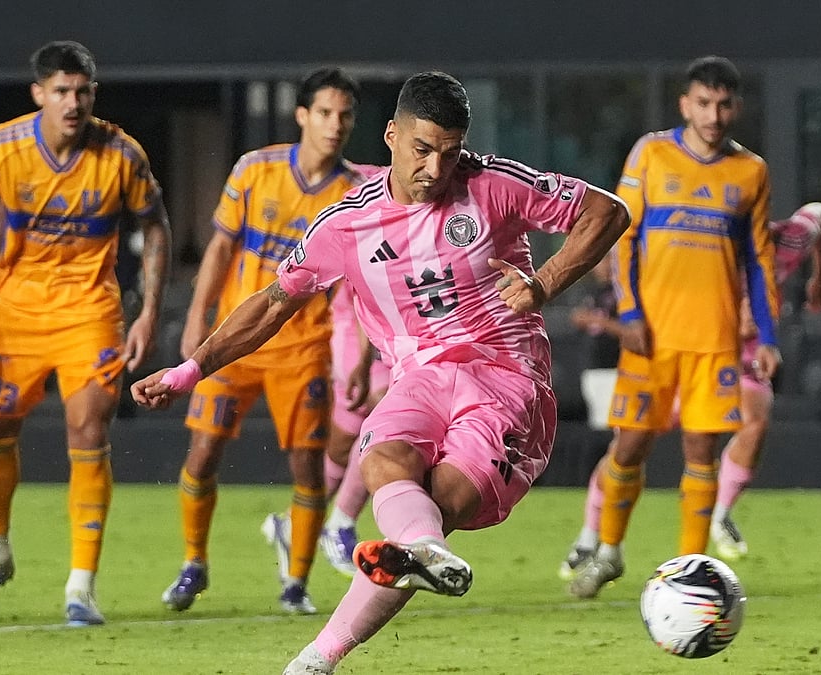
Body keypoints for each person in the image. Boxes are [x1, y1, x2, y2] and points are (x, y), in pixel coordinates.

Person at [131, 71, 628, 674]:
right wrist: (191, 369)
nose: (435, 168)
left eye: (449, 153)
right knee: (383, 461)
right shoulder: (345, 224)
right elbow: (272, 302)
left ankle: (361, 610)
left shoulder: (493, 183)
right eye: (422, 150)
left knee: (440, 503)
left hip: (506, 378)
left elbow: (608, 211)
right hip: (419, 377)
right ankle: (324, 652)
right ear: (392, 136)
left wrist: (543, 283)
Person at [0, 40, 172, 626]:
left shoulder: (122, 153)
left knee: (88, 424)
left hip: (89, 310)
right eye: (62, 91)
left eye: (83, 92)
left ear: (93, 94)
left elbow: (157, 226)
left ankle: (81, 586)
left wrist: (148, 311)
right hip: (11, 311)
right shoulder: (3, 147)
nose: (73, 103)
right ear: (39, 94)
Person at [567, 56, 780, 600]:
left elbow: (758, 261)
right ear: (685, 104)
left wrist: (770, 338)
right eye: (703, 103)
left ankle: (692, 573)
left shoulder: (750, 171)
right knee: (630, 445)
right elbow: (622, 237)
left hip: (714, 340)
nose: (714, 115)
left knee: (701, 455)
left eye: (724, 103)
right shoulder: (651, 153)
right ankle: (608, 551)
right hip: (652, 338)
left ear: (738, 106)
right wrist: (631, 315)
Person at [158, 68, 369, 615]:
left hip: (303, 348)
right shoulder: (254, 170)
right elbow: (220, 250)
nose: (335, 124)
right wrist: (197, 318)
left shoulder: (355, 193)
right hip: (234, 339)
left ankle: (296, 583)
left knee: (306, 468)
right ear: (302, 115)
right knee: (202, 454)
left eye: (345, 115)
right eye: (325, 112)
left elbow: (361, 285)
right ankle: (192, 564)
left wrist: (364, 355)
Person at [559, 202, 821, 576]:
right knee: (628, 448)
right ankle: (590, 537)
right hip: (680, 356)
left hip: (736, 362)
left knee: (754, 419)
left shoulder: (785, 239)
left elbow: (820, 216)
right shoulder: (691, 246)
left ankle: (719, 517)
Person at [316, 279, 391, 577]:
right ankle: (340, 524)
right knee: (385, 410)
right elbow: (364, 291)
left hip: (385, 339)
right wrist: (362, 359)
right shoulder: (371, 233)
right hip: (356, 333)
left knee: (343, 444)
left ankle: (298, 521)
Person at [568, 255, 622, 430]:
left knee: (616, 425)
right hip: (592, 367)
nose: (604, 266)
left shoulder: (622, 291)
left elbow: (628, 329)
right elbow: (574, 317)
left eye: (609, 260)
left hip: (616, 367)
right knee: (598, 423)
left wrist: (600, 322)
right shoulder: (587, 291)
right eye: (600, 260)